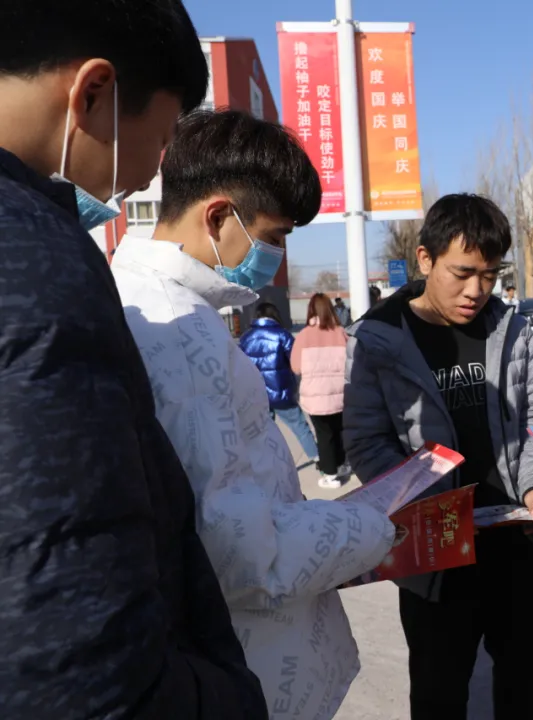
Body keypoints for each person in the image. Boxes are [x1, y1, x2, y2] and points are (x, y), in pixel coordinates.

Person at [0, 3, 268, 717]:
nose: (156, 167)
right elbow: (81, 660)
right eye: (165, 133)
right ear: (93, 92)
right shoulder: (37, 262)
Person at [110, 109, 395, 720]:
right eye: (275, 236)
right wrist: (373, 525)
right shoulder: (179, 330)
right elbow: (243, 556)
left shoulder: (160, 303)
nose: (278, 256)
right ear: (218, 217)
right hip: (249, 666)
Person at [344, 193, 533, 720]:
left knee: (527, 680)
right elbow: (367, 441)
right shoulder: (379, 339)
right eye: (462, 273)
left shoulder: (509, 329)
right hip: (434, 551)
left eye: (489, 275)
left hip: (515, 540)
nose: (476, 291)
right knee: (439, 693)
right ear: (425, 259)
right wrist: (421, 501)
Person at [239, 302, 320, 463]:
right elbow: (297, 362)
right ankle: (318, 459)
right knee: (300, 427)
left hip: (257, 394)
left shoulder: (245, 338)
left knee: (262, 432)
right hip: (282, 393)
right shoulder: (282, 335)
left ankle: (263, 463)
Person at [293, 293, 352, 488]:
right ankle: (342, 465)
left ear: (311, 310)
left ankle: (330, 475)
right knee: (340, 431)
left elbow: (296, 367)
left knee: (324, 435)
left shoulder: (304, 336)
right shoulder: (341, 333)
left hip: (315, 397)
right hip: (341, 394)